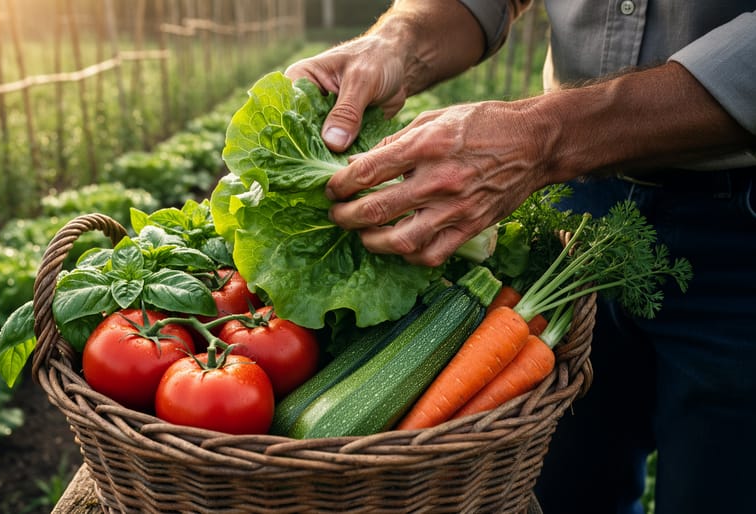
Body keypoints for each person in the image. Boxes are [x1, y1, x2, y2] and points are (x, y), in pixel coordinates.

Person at [284, 1, 756, 513]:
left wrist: (542, 135)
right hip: (570, 212)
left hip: (740, 227)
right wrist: (399, 42)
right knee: (558, 490)